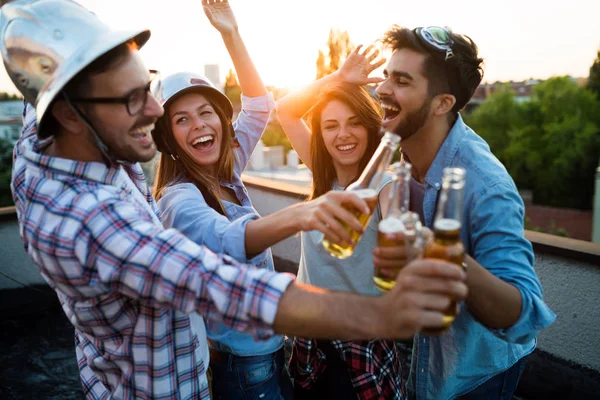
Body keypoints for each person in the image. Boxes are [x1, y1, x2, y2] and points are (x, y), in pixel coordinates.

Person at [1, 1, 468, 399]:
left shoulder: (62, 134)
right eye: (132, 100)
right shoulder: (92, 221)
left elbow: (262, 106)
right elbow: (215, 281)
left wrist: (233, 34)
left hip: (190, 361)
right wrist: (380, 311)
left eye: (148, 86)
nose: (154, 110)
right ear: (69, 112)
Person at [150, 1, 373, 398]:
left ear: (221, 119)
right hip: (242, 366)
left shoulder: (224, 170)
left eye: (206, 113)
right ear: (167, 139)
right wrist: (304, 213)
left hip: (268, 353)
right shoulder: (178, 199)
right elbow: (225, 237)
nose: (199, 125)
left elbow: (258, 106)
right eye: (182, 119)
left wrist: (231, 35)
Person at [371, 25, 556, 399]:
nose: (382, 89)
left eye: (402, 81)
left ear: (443, 103)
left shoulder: (486, 184)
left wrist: (444, 255)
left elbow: (524, 314)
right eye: (386, 75)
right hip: (417, 361)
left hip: (473, 378)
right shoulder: (401, 147)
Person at [276, 46, 406, 399]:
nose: (342, 135)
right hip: (309, 336)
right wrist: (338, 78)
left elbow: (399, 234)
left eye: (353, 123)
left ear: (370, 127)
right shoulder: (321, 173)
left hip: (359, 339)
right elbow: (284, 111)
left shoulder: (385, 185)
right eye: (331, 126)